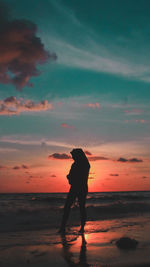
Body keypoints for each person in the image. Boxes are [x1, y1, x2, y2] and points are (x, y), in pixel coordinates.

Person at [59, 148, 90, 233]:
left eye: (73, 156)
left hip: (76, 187)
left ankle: (63, 227)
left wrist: (69, 177)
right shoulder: (85, 164)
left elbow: (72, 177)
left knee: (68, 207)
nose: (72, 157)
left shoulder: (78, 164)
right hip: (82, 187)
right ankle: (81, 228)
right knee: (81, 208)